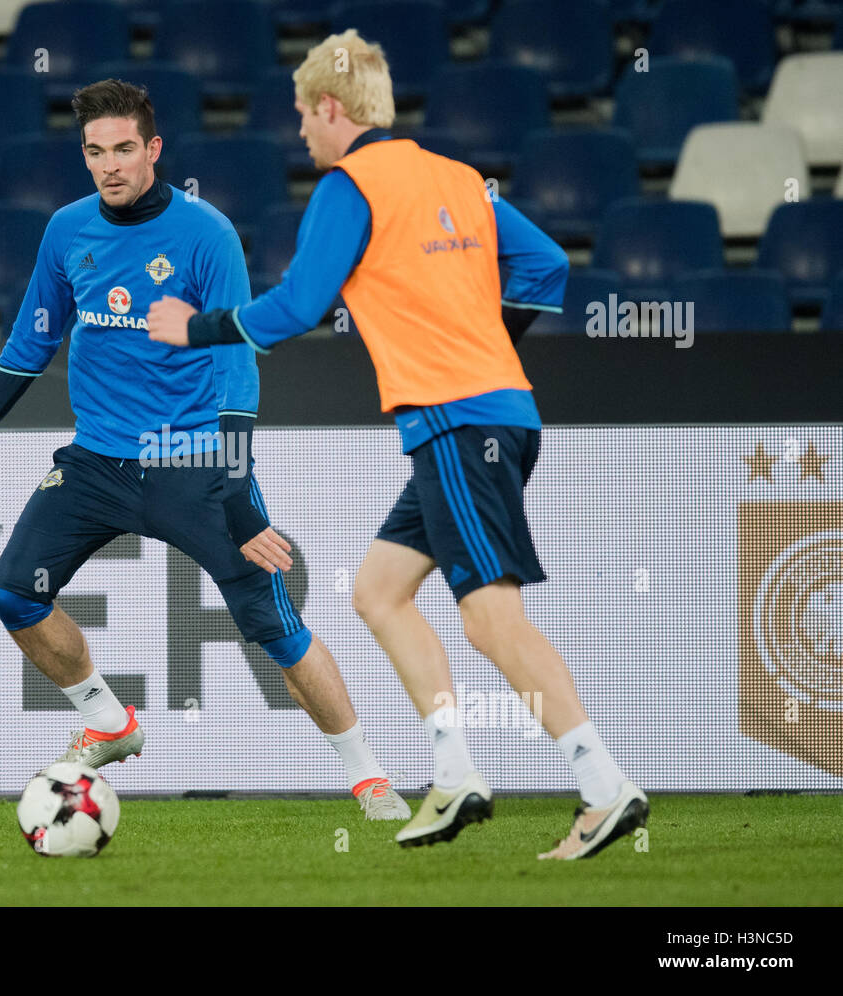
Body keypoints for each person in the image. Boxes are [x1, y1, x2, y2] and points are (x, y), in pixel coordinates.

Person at [146, 31, 649, 859]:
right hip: (494, 417)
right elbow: (548, 265)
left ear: (333, 109)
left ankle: (602, 787)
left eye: (305, 116)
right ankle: (454, 775)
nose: (301, 134)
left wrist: (193, 327)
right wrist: (488, 345)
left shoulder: (350, 185)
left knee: (492, 621)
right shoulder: (455, 178)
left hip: (456, 424)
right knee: (379, 592)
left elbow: (298, 306)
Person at [0, 79, 410, 820]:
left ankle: (371, 776)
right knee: (12, 594)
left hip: (193, 464)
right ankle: (108, 721)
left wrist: (237, 490)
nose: (110, 166)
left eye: (125, 149)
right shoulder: (66, 231)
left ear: (154, 149)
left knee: (279, 632)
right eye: (95, 152)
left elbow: (237, 364)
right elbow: (31, 343)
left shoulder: (206, 235)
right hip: (95, 463)